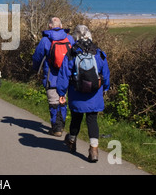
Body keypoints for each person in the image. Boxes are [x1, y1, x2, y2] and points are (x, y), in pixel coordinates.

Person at [57, 25, 110, 162]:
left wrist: (61, 93)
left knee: (76, 118)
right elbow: (106, 73)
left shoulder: (72, 53)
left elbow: (64, 75)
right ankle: (94, 150)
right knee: (92, 120)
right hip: (94, 93)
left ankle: (72, 142)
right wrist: (105, 88)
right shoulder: (98, 52)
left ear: (75, 37)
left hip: (77, 93)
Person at [32, 17, 75, 136]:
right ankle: (61, 125)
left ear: (50, 26)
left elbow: (37, 57)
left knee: (53, 101)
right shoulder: (69, 38)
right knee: (63, 100)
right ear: (61, 26)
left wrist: (35, 69)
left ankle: (56, 128)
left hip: (51, 75)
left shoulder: (45, 40)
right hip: (67, 76)